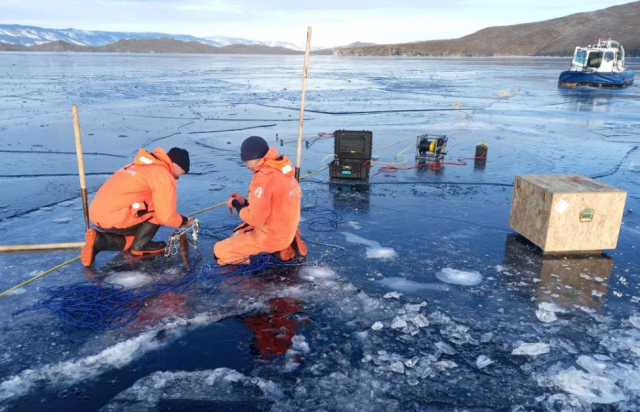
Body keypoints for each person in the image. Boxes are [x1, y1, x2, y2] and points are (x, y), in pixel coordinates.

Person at [81, 147, 194, 266]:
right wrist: (184, 220)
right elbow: (166, 216)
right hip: (115, 217)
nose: (177, 178)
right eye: (179, 175)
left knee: (142, 218)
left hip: (97, 214)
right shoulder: (162, 175)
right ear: (176, 166)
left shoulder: (139, 165)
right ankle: (141, 245)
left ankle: (100, 241)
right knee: (158, 208)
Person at [214, 136, 306, 265]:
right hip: (285, 229)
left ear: (256, 158)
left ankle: (271, 256)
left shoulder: (264, 177)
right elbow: (270, 204)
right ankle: (286, 243)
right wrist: (244, 203)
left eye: (246, 161)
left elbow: (254, 219)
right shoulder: (282, 169)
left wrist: (235, 204)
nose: (246, 166)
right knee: (238, 231)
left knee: (219, 252)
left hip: (272, 237)